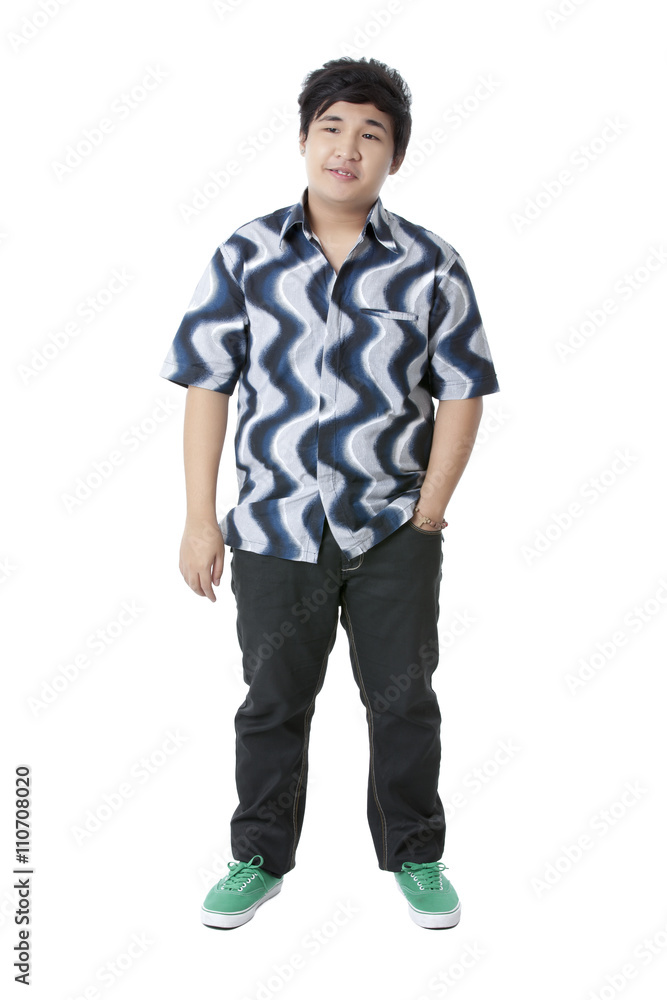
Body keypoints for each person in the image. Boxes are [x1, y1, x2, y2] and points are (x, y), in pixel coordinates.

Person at [159, 56, 500, 931]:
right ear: (305, 139)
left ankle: (416, 855)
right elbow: (207, 386)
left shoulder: (430, 264)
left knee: (403, 702)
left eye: (370, 134)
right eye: (332, 129)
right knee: (271, 703)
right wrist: (199, 520)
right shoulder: (246, 254)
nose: (348, 148)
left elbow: (462, 391)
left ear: (395, 156)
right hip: (274, 529)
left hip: (392, 531)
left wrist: (428, 513)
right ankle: (257, 857)